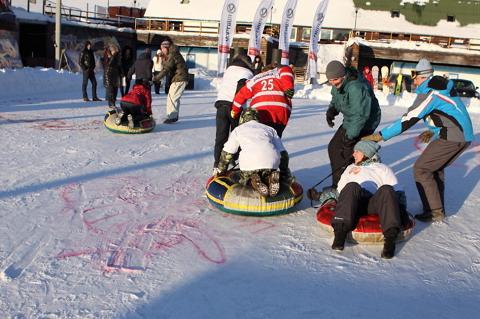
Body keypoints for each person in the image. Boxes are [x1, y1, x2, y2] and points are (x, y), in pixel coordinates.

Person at [362, 58, 474, 223]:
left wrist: (380, 135)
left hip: (454, 135)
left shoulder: (432, 92)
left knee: (421, 169)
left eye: (416, 75)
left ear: (424, 76)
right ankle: (436, 208)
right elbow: (448, 114)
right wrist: (434, 131)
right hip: (457, 134)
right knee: (434, 169)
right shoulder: (436, 88)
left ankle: (435, 211)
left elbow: (410, 118)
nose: (413, 79)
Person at [330, 141, 402, 259]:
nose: (353, 154)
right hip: (352, 203)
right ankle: (339, 234)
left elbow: (396, 191)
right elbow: (339, 192)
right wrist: (321, 196)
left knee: (387, 189)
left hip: (374, 204)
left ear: (366, 153)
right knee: (352, 185)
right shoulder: (350, 168)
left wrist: (401, 210)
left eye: (357, 151)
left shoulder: (381, 168)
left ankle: (390, 240)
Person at [324, 60, 381, 189]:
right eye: (330, 80)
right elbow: (336, 98)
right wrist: (332, 110)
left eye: (335, 80)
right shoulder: (339, 83)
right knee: (334, 148)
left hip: (365, 122)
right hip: (351, 120)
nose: (333, 83)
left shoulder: (356, 87)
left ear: (343, 76)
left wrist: (350, 137)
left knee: (349, 154)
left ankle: (349, 187)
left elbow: (360, 115)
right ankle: (338, 185)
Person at [216, 108, 290, 197]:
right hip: (271, 164)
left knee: (235, 176)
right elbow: (283, 154)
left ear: (242, 118)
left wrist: (221, 171)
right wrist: (285, 172)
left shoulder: (238, 130)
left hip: (249, 165)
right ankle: (269, 178)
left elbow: (227, 154)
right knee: (266, 172)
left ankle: (251, 181)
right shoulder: (270, 129)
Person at [212, 54, 254, 175]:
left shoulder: (229, 69)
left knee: (221, 136)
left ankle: (217, 165)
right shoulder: (247, 72)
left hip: (221, 104)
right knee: (238, 136)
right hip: (235, 107)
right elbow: (241, 86)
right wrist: (237, 105)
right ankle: (234, 160)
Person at [231, 64, 295, 138]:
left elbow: (241, 95)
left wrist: (234, 111)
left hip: (259, 112)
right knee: (275, 138)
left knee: (260, 138)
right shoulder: (278, 72)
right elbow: (286, 70)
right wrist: (288, 87)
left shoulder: (256, 78)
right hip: (280, 110)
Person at [154, 39, 189, 123]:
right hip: (179, 78)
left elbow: (166, 69)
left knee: (173, 97)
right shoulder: (172, 54)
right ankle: (173, 115)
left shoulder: (172, 55)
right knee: (172, 97)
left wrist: (155, 79)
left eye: (162, 48)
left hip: (180, 78)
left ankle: (172, 117)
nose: (162, 50)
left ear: (167, 47)